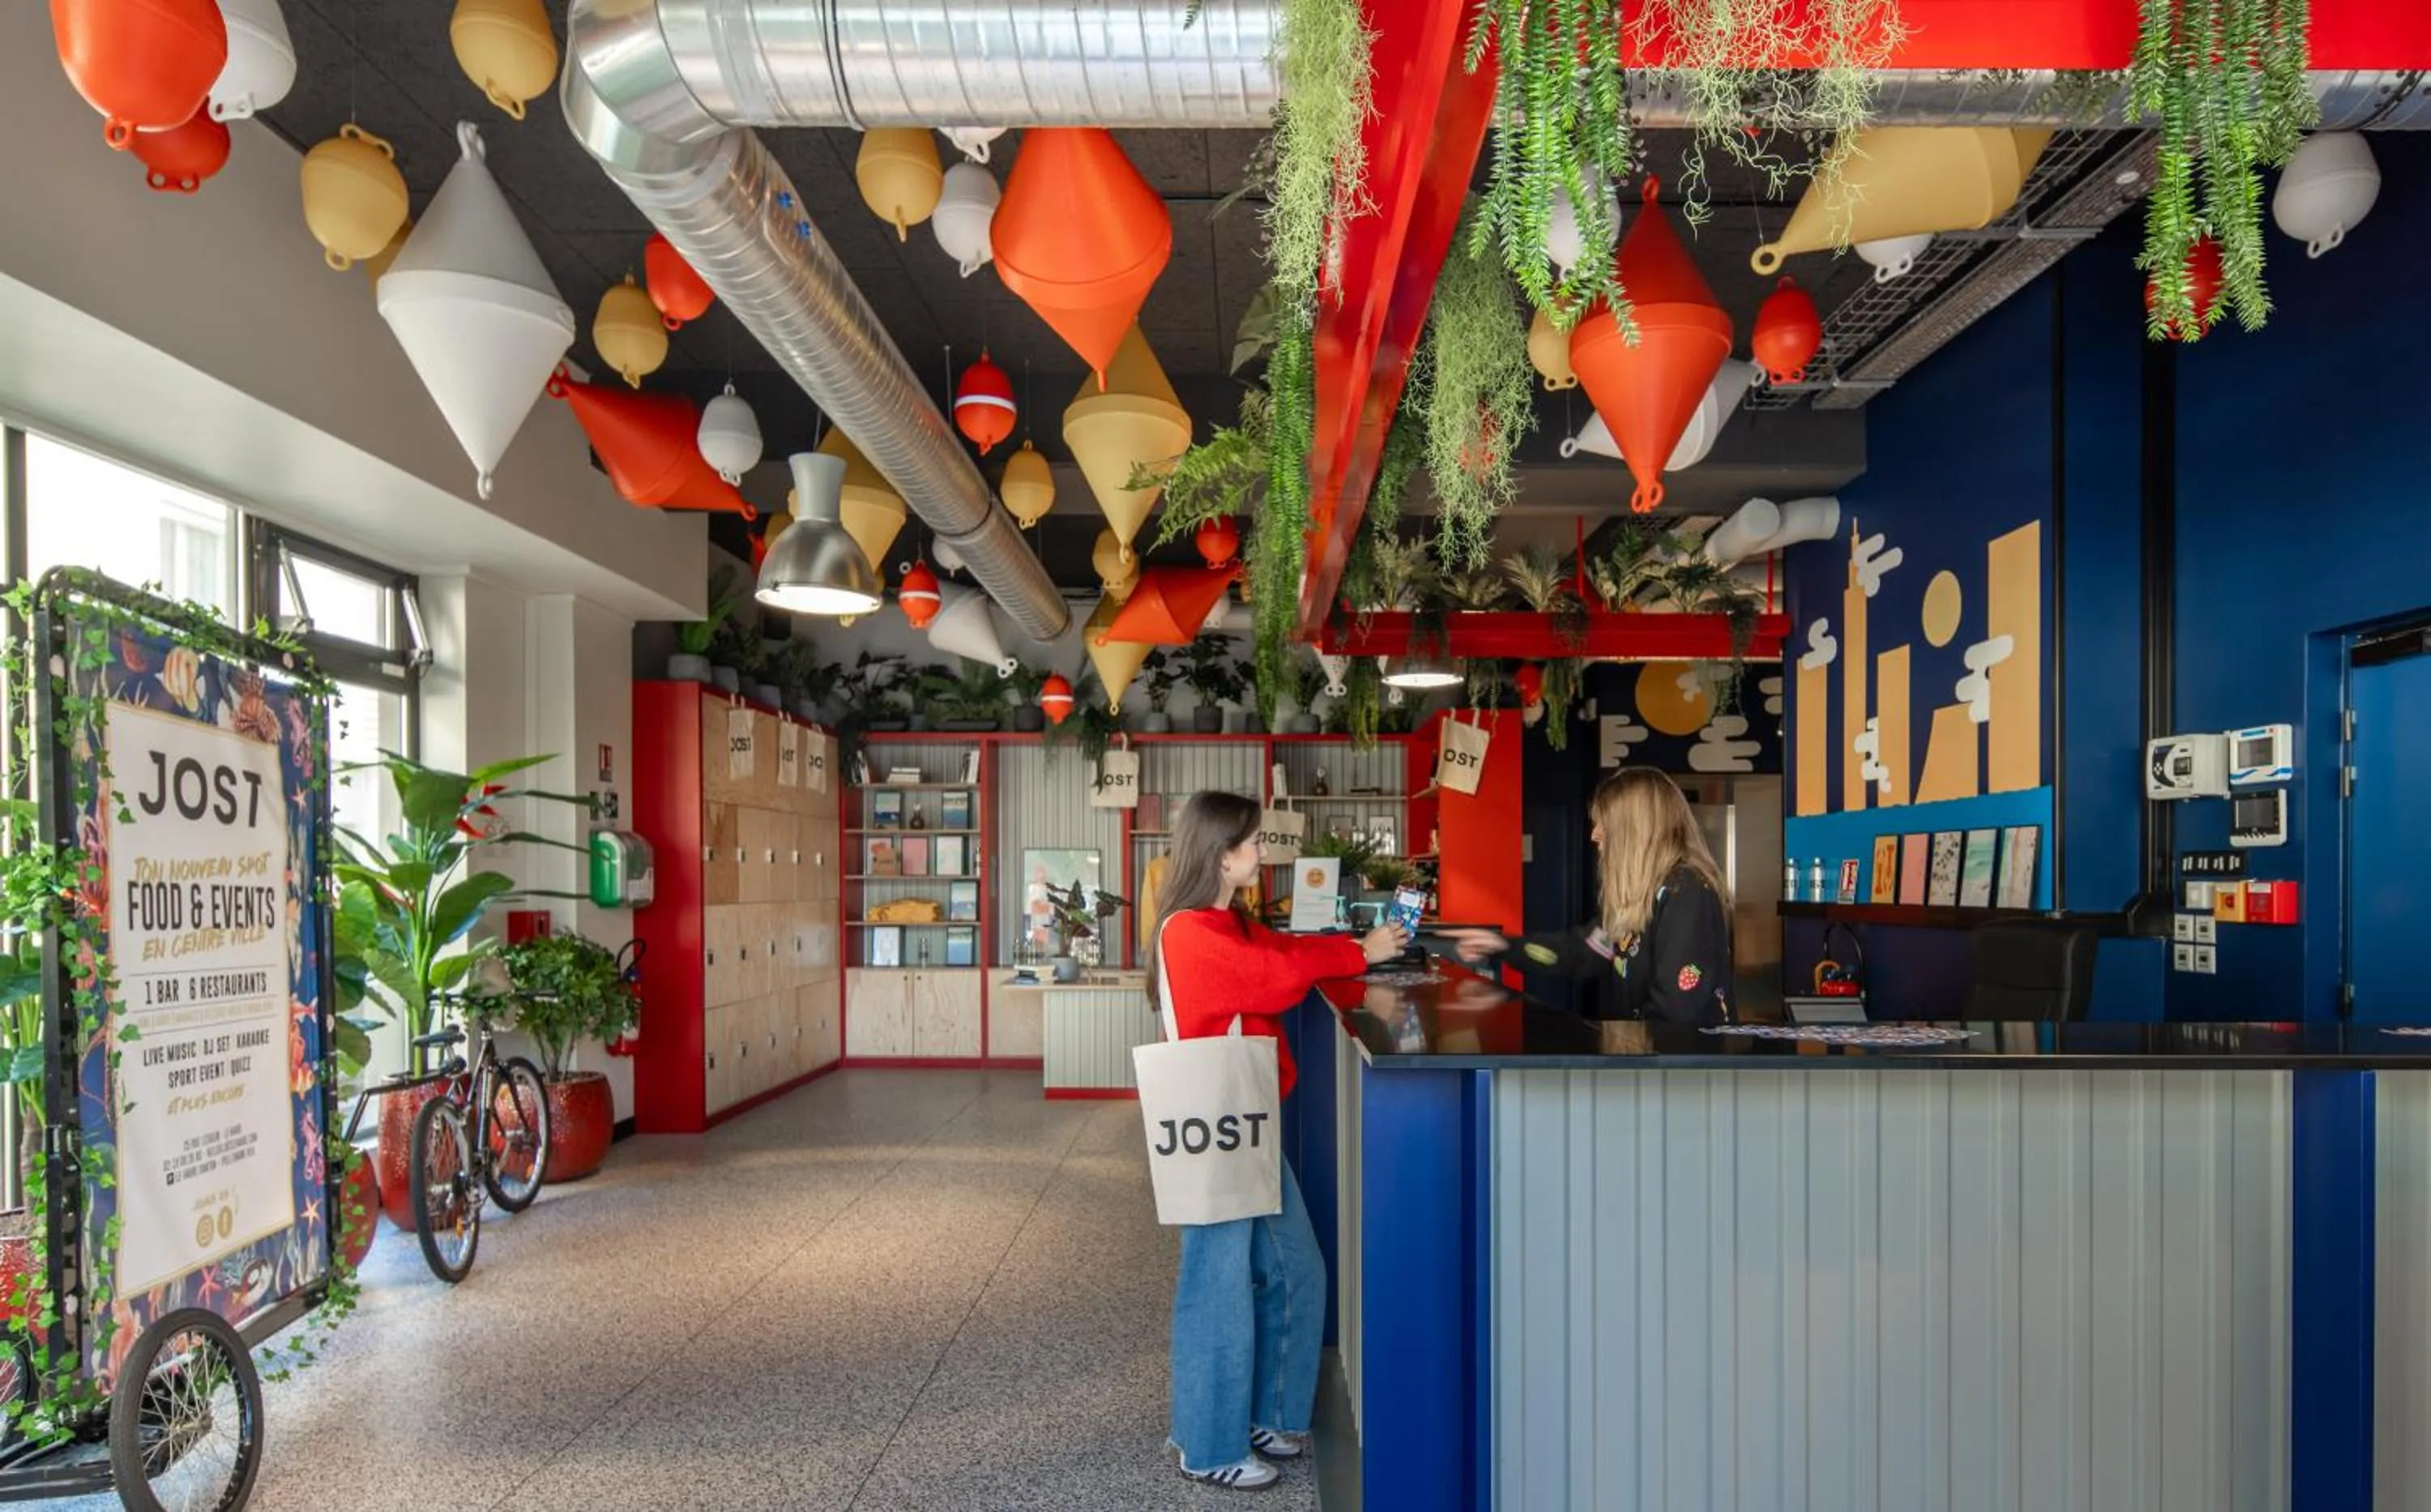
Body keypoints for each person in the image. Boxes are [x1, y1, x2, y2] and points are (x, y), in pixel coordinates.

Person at [1151, 790, 1407, 1490]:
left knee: (1295, 1267)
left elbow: (1286, 950)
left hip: (1245, 1126)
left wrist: (1352, 951)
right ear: (1222, 852)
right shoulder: (1190, 931)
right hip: (1219, 1132)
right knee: (1217, 1287)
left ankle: (1271, 1413)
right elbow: (1277, 977)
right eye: (1254, 843)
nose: (1263, 853)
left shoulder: (1225, 921)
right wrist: (1360, 951)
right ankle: (1205, 1446)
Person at [1440, 767, 1734, 1023]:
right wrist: (1503, 946)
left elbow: (1675, 1012)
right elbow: (1579, 953)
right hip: (1648, 1070)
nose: (1595, 835)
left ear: (1634, 831)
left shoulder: (1686, 892)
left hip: (1684, 1079)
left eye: (1604, 823)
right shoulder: (1637, 900)